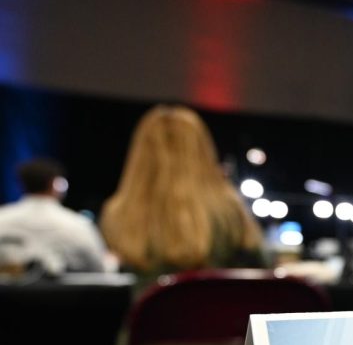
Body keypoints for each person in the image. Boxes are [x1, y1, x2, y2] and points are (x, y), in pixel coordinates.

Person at [100, 105, 264, 282]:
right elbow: (261, 274)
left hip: (150, 310)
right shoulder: (231, 212)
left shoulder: (116, 215)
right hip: (219, 308)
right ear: (203, 151)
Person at [0, 158, 108, 274]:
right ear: (55, 184)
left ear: (22, 185)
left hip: (9, 291)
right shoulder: (78, 224)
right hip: (68, 292)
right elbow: (100, 268)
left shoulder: (2, 218)